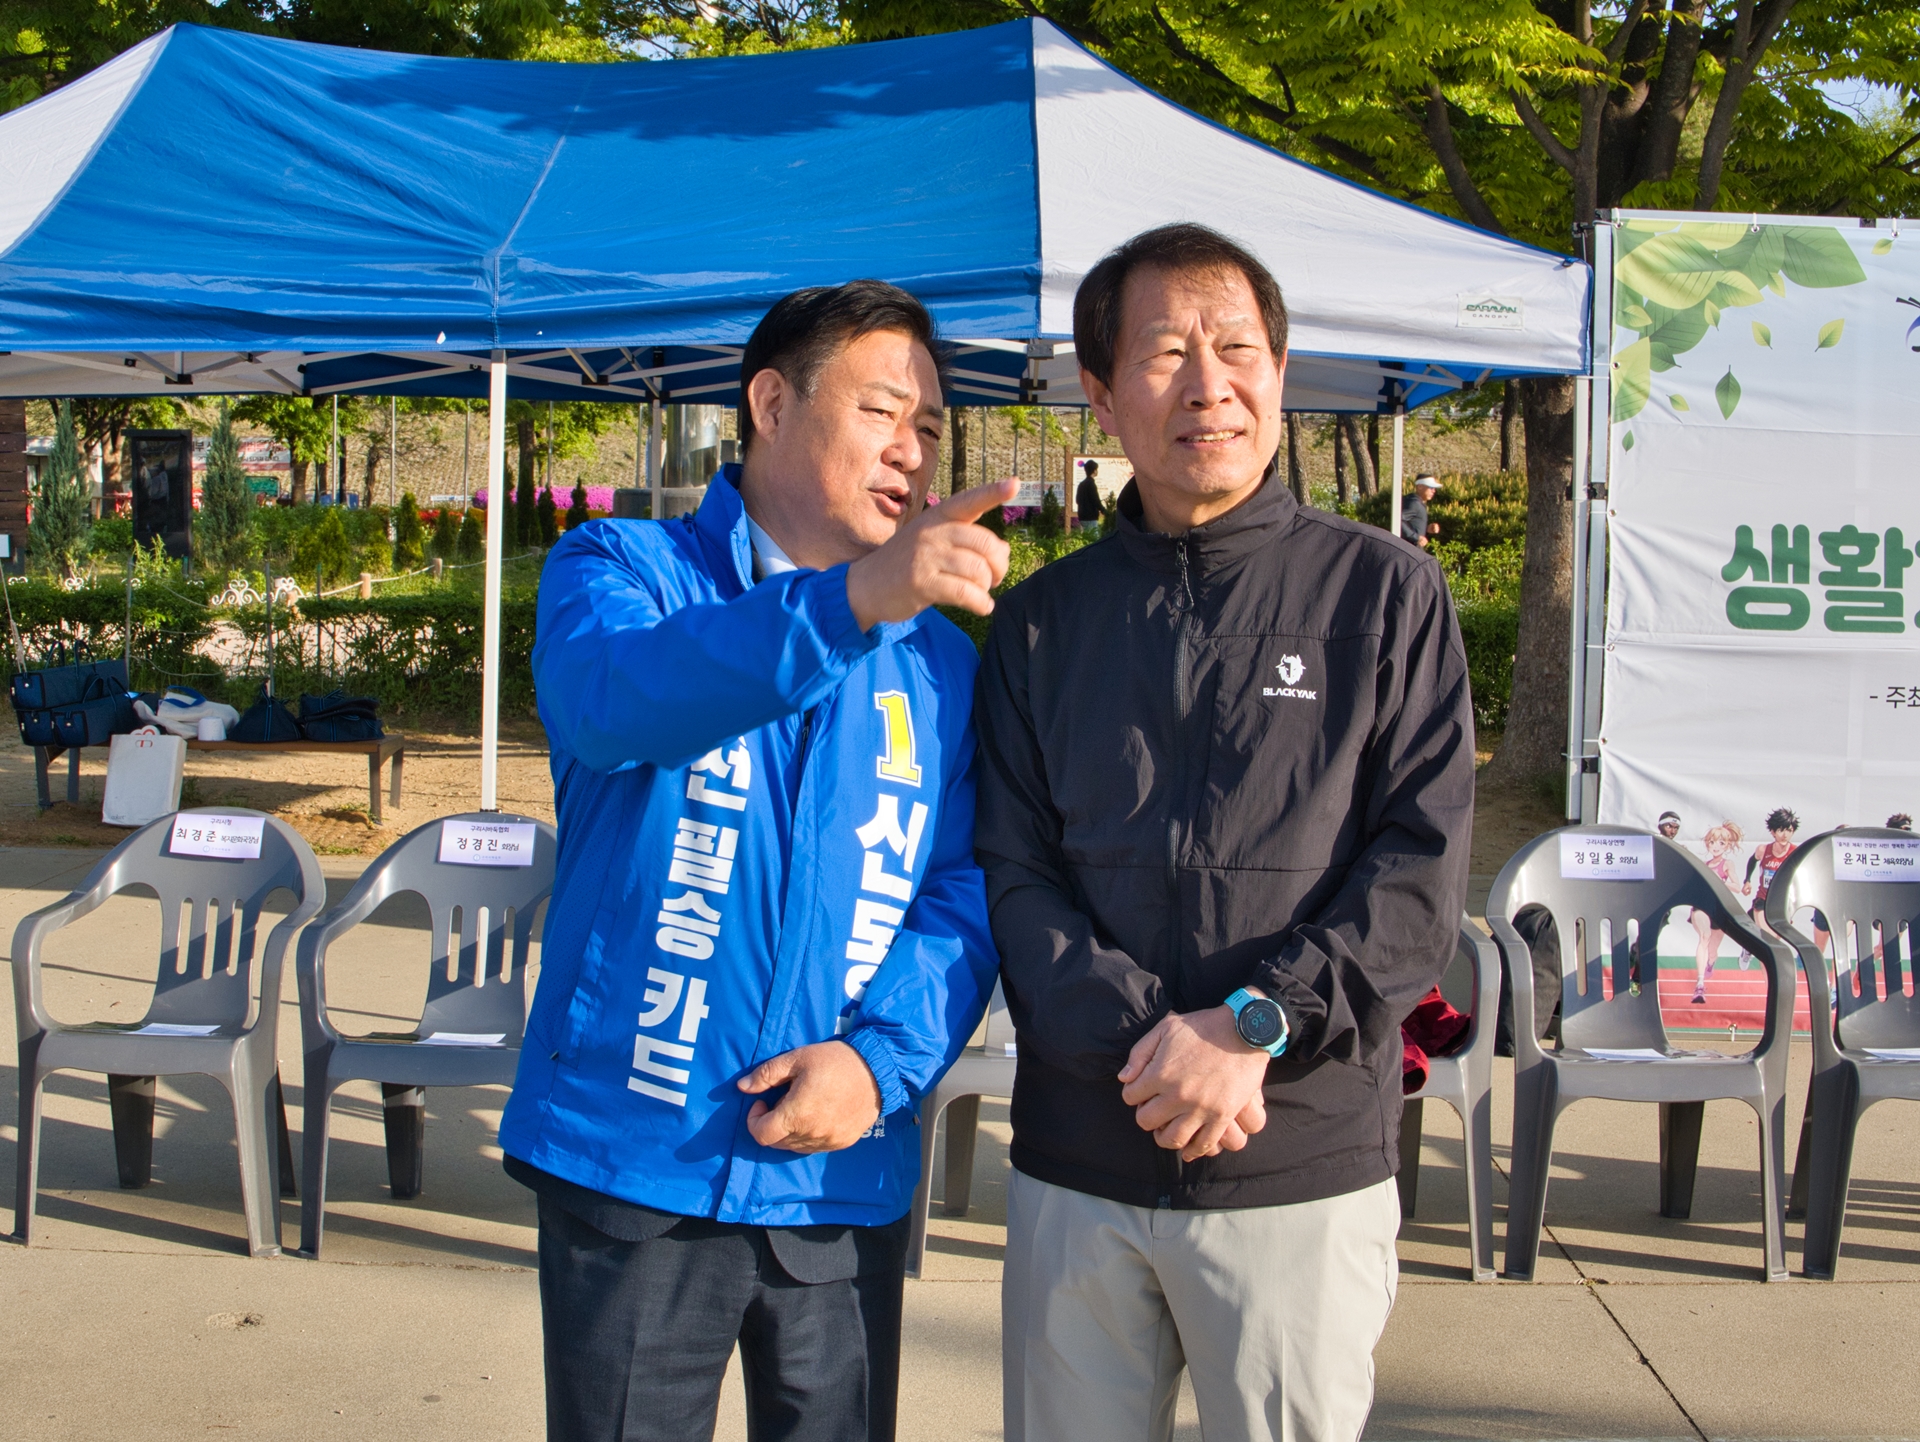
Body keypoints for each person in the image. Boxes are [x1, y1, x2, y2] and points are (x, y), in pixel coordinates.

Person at [975, 223, 1474, 1442]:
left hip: (1295, 1155)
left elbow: (1418, 873)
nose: (1209, 384)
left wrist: (1251, 1026)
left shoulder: (1386, 596)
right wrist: (1156, 1052)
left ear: (1280, 371)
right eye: (1164, 352)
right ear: (1103, 395)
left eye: (1237, 348)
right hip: (1082, 1158)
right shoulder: (1039, 624)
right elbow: (1014, 873)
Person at [500, 279, 1015, 1442]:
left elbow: (967, 892)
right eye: (881, 411)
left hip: (838, 1174)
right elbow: (616, 702)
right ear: (772, 404)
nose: (912, 450)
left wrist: (879, 1065)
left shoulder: (942, 664)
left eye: (931, 427)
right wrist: (849, 604)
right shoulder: (620, 567)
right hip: (637, 1159)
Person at [1689, 821, 1743, 1004]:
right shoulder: (1704, 865)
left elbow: (1737, 886)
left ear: (1727, 845)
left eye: (1721, 843)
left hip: (1718, 910)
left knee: (1712, 951)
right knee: (1704, 938)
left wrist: (1720, 881)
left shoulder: (1727, 864)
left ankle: (1710, 963)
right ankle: (1700, 984)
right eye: (1712, 842)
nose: (1715, 847)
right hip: (1702, 907)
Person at [1399, 473, 1440, 547]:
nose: (1434, 491)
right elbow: (1398, 520)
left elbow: (1410, 524)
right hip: (1409, 549)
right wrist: (1416, 537)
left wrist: (1426, 529)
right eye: (1431, 487)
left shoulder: (1418, 503)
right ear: (1420, 487)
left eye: (1434, 488)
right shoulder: (1414, 503)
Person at [1075, 458, 1104, 527]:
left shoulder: (1081, 484)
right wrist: (1104, 511)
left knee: (1086, 533)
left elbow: (1077, 500)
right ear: (1094, 471)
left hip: (1082, 516)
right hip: (1091, 517)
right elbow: (1095, 500)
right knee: (1093, 533)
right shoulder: (1091, 484)